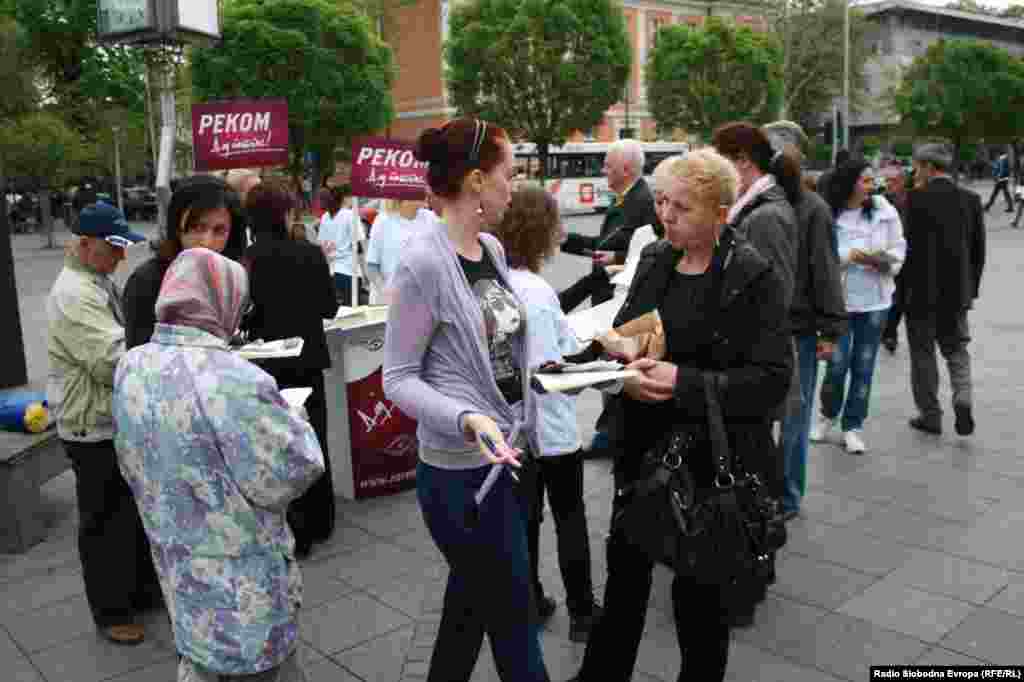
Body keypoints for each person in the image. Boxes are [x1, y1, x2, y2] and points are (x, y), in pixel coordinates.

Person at [567, 149, 792, 682]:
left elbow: (771, 382)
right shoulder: (656, 259)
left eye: (681, 207)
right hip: (641, 455)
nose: (665, 215)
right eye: (663, 201)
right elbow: (631, 332)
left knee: (699, 607)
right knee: (623, 584)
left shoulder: (751, 276)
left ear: (720, 211)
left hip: (707, 470)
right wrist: (592, 363)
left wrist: (683, 383)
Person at [382, 118, 548, 682]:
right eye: (509, 173)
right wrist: (466, 416)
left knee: (470, 608)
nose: (514, 185)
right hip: (459, 478)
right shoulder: (422, 261)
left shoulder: (493, 248)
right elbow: (397, 378)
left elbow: (498, 348)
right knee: (513, 617)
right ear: (476, 181)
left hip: (507, 460)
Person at [113, 248, 325, 681]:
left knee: (200, 660)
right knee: (261, 668)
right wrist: (293, 419)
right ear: (224, 303)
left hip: (177, 563)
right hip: (242, 581)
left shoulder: (132, 364)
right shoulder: (234, 377)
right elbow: (295, 469)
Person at [490, 186, 603, 643]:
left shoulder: (494, 283)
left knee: (527, 521)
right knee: (570, 517)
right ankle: (581, 610)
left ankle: (531, 600)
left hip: (513, 428)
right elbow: (564, 353)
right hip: (551, 425)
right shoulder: (536, 289)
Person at [46, 202, 159, 646]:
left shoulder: (95, 281)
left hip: (108, 418)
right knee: (103, 519)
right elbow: (112, 359)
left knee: (126, 513)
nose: (120, 257)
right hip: (89, 425)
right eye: (113, 248)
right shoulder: (74, 293)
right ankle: (111, 611)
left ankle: (138, 592)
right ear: (84, 244)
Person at [243, 180, 340, 557]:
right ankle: (321, 518)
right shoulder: (309, 254)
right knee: (313, 437)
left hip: (265, 366)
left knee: (274, 445)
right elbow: (328, 308)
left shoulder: (246, 260)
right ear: (285, 214)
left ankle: (291, 525)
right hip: (307, 361)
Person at [762, 121, 847, 521]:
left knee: (794, 422)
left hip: (798, 331)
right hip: (762, 328)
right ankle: (764, 490)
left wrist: (830, 330)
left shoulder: (812, 208)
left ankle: (789, 497)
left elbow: (826, 271)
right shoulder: (759, 202)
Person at [811, 160, 906, 454]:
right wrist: (850, 255)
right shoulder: (828, 212)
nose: (871, 186)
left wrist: (883, 260)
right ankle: (827, 414)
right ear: (849, 182)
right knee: (837, 365)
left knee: (863, 367)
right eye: (864, 180)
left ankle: (853, 426)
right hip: (839, 304)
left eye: (871, 180)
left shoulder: (883, 210)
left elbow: (898, 248)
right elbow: (821, 257)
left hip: (876, 302)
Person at [904, 143, 985, 437]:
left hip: (921, 294)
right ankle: (962, 396)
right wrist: (969, 290)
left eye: (917, 167)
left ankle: (931, 415)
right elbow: (978, 252)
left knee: (923, 354)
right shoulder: (971, 200)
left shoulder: (914, 200)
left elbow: (906, 252)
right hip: (956, 294)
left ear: (927, 167)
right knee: (957, 350)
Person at [122, 175, 246, 350]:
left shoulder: (229, 277)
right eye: (197, 227)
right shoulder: (147, 281)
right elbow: (140, 357)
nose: (207, 241)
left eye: (219, 231)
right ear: (177, 227)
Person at [560, 138, 660, 309]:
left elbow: (654, 253)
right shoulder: (625, 198)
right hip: (607, 298)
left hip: (620, 302)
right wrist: (565, 240)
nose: (603, 170)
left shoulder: (644, 203)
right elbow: (604, 245)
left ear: (626, 170)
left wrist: (617, 258)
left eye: (608, 166)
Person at [365, 198, 429, 303]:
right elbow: (371, 266)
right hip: (388, 304)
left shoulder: (429, 218)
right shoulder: (383, 220)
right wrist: (385, 290)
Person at [881, 166, 910, 352]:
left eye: (893, 181)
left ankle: (890, 332)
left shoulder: (911, 200)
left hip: (906, 255)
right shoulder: (881, 201)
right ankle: (888, 332)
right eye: (887, 181)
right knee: (891, 296)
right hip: (886, 254)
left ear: (902, 182)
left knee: (899, 297)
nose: (889, 184)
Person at [318, 184, 361, 304]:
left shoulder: (325, 217)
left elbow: (321, 246)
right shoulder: (350, 215)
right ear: (345, 198)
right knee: (352, 317)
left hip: (331, 272)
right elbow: (358, 246)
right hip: (349, 271)